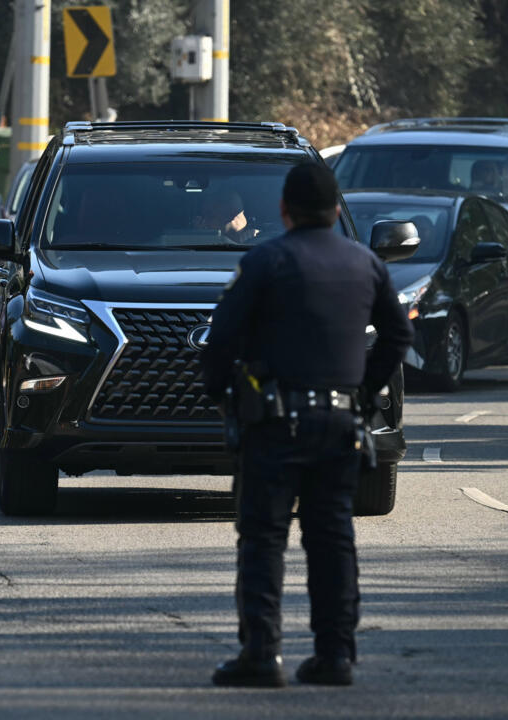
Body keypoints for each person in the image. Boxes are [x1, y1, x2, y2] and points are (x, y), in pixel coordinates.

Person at [201, 163, 412, 688]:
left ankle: (261, 654)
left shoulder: (265, 261)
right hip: (340, 423)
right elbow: (397, 336)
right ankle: (336, 654)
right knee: (332, 536)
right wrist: (364, 393)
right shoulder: (366, 264)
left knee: (264, 538)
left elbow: (220, 340)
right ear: (337, 209)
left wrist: (224, 397)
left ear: (284, 211)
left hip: (274, 424)